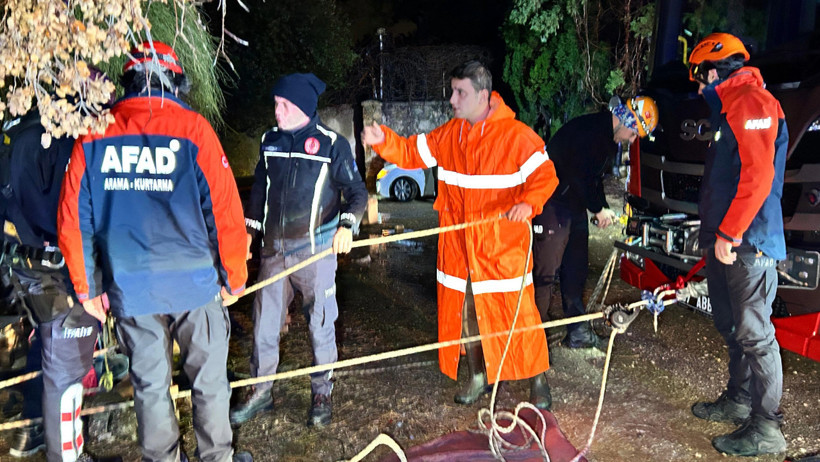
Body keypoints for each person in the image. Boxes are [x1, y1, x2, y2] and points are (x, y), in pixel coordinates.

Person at [58, 41, 252, 462]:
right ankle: (216, 458)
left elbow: (74, 221)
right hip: (197, 284)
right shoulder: (196, 131)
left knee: (150, 385)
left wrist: (88, 288)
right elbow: (226, 215)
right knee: (210, 383)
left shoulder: (95, 134)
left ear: (128, 81)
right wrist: (235, 278)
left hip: (132, 289)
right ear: (175, 81)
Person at [362, 60, 559, 409]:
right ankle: (478, 376)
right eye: (452, 92)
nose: (452, 100)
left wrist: (529, 204)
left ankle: (537, 379)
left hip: (503, 248)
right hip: (459, 249)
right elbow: (410, 152)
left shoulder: (516, 136)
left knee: (519, 315)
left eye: (460, 92)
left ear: (483, 95)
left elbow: (545, 175)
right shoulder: (450, 134)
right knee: (466, 316)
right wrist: (384, 141)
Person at [229, 73, 367, 428]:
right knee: (264, 323)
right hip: (274, 251)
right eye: (276, 103)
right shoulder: (269, 141)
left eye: (283, 105)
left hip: (316, 251)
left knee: (320, 322)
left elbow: (357, 193)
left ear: (303, 107)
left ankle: (322, 391)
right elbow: (259, 190)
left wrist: (347, 225)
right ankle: (261, 391)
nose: (276, 111)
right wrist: (248, 234)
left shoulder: (332, 144)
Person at [687, 32, 788, 457]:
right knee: (731, 326)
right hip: (726, 240)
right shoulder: (729, 108)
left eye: (698, 77)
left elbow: (759, 176)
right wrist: (712, 232)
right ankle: (739, 399)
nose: (697, 87)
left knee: (755, 334)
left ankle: (767, 428)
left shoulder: (751, 102)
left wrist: (729, 233)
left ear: (714, 69)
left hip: (749, 242)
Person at [0, 107, 110, 461]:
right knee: (66, 375)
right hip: (59, 272)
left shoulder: (13, 132)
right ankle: (67, 455)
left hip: (25, 269)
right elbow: (68, 215)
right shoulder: (55, 140)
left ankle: (34, 431)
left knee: (49, 354)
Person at [531, 96, 658, 348]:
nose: (632, 140)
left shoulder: (608, 140)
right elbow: (578, 175)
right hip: (552, 204)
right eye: (634, 134)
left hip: (574, 206)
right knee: (544, 274)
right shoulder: (588, 131)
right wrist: (597, 208)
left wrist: (602, 207)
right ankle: (532, 337)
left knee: (576, 269)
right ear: (625, 119)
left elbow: (593, 178)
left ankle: (577, 331)